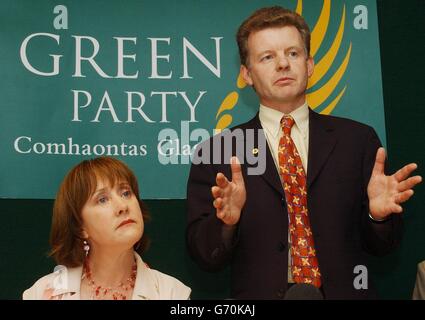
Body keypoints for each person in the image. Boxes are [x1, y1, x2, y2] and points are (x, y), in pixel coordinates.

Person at [186, 6, 422, 299]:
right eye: (267, 57)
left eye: (293, 53)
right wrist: (226, 223)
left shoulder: (358, 141)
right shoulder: (218, 152)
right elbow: (204, 256)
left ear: (309, 65)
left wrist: (377, 217)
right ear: (246, 74)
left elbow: (383, 247)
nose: (283, 64)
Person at [24, 157, 191, 300]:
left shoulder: (173, 293)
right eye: (102, 199)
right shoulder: (40, 293)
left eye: (126, 193)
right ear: (80, 227)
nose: (122, 206)